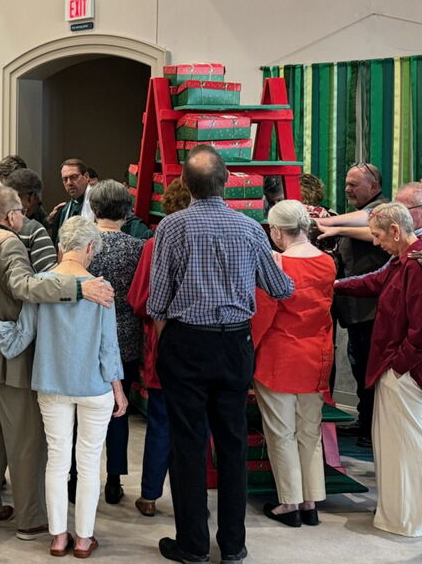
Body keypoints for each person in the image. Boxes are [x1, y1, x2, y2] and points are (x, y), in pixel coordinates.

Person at [148, 145, 293, 564]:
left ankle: (192, 544)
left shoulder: (171, 228)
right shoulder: (249, 229)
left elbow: (158, 302)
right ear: (226, 181)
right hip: (234, 344)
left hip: (187, 342)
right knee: (232, 444)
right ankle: (233, 544)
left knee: (188, 443)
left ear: (184, 185)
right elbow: (281, 289)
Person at [0, 186, 114, 542]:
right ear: (11, 216)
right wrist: (78, 289)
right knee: (27, 443)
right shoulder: (10, 242)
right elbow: (24, 287)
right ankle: (32, 519)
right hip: (12, 357)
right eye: (20, 210)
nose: (24, 216)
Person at [332, 202, 422, 537]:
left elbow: (419, 329)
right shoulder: (403, 260)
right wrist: (330, 283)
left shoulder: (416, 264)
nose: (375, 242)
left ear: (396, 231)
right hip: (397, 368)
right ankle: (399, 513)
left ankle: (407, 518)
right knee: (396, 447)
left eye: (378, 235)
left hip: (403, 372)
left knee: (405, 447)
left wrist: (400, 366)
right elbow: (372, 282)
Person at [250, 200, 334, 528]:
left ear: (275, 231)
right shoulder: (327, 262)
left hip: (280, 355)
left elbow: (264, 314)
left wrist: (248, 350)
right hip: (317, 354)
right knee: (309, 430)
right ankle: (311, 500)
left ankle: (290, 502)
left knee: (281, 432)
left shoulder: (278, 263)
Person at [128, 178, 191, 517]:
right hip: (206, 343)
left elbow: (140, 300)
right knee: (198, 424)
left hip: (162, 341)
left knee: (161, 422)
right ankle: (191, 497)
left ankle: (150, 495)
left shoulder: (156, 243)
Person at [87, 179, 145, 505]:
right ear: (127, 211)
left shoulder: (83, 246)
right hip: (126, 337)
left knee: (83, 410)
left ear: (94, 209)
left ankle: (77, 476)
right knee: (119, 411)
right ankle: (114, 479)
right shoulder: (137, 249)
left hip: (88, 336)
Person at [323, 163, 388, 447]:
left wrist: (329, 224)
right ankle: (364, 423)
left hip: (372, 310)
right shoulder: (354, 215)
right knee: (358, 365)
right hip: (355, 310)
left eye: (353, 184)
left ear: (374, 187)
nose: (347, 189)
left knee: (368, 370)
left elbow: (371, 224)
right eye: (346, 183)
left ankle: (370, 430)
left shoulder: (383, 209)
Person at [4, 168, 57, 272]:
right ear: (32, 196)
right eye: (37, 197)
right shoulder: (34, 230)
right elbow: (50, 275)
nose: (38, 203)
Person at [48, 158, 94, 244]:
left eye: (74, 177)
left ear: (86, 177)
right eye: (65, 179)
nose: (69, 183)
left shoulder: (99, 204)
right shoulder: (63, 211)